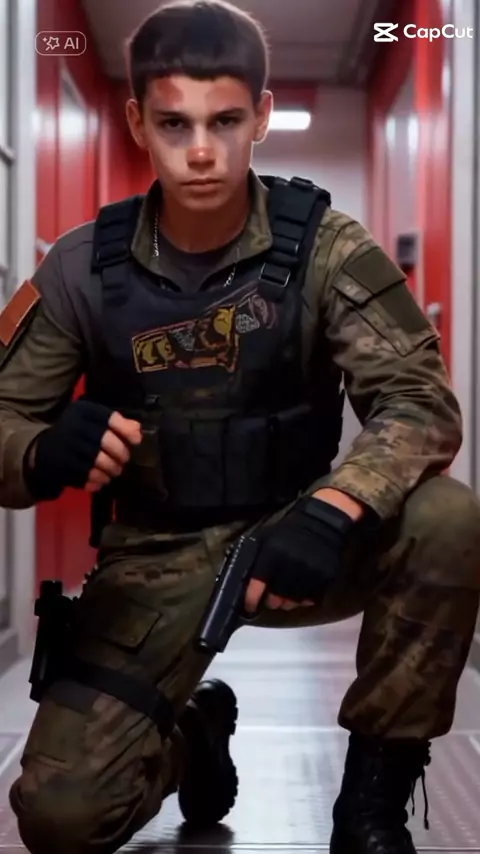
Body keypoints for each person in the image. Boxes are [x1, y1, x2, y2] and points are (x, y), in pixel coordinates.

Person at [1, 0, 479, 851]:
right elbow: (4, 423)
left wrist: (335, 508)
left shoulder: (329, 248)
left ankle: (370, 807)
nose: (200, 151)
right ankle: (193, 733)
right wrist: (40, 451)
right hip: (153, 555)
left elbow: (420, 402)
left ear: (260, 116)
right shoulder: (80, 265)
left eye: (224, 121)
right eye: (174, 123)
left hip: (300, 534)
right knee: (59, 820)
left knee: (447, 518)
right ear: (137, 121)